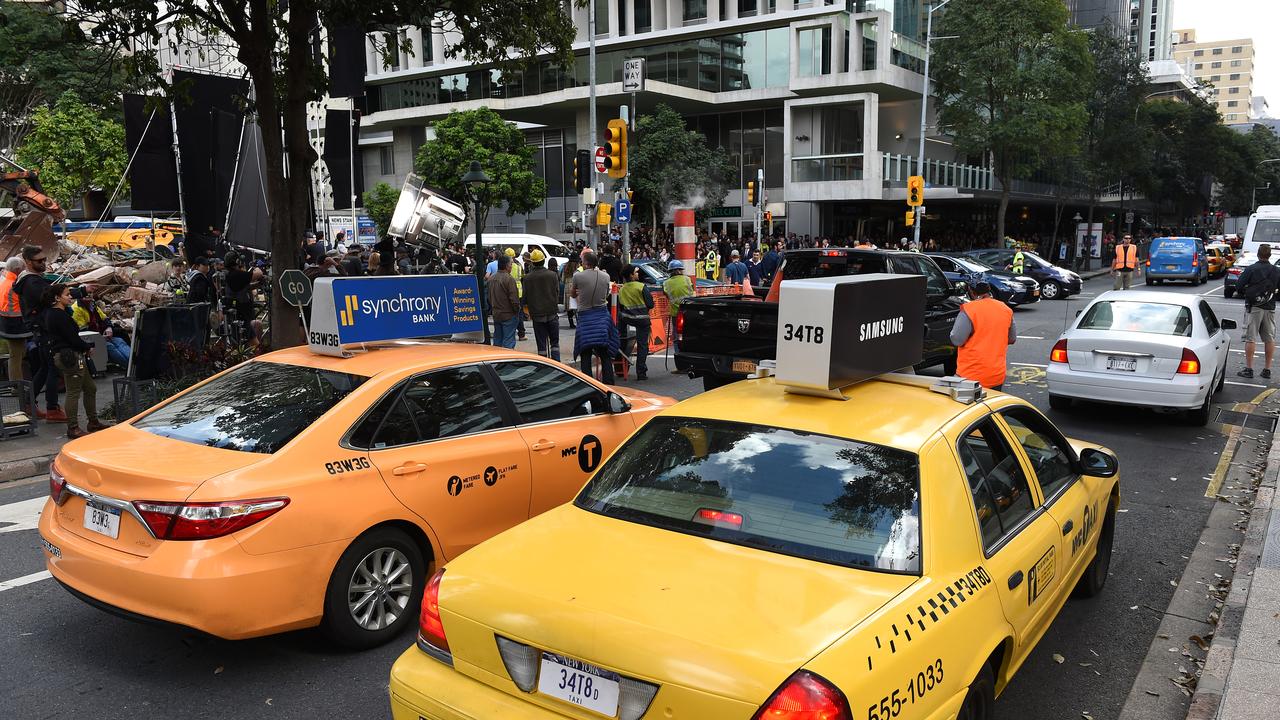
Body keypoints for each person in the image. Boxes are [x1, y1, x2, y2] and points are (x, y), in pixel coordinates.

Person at [42, 284, 106, 438]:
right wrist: (87, 347)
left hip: (74, 355)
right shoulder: (58, 315)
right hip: (70, 357)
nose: (70, 297)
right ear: (57, 298)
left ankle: (93, 421)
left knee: (90, 388)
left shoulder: (57, 313)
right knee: (73, 392)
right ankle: (73, 427)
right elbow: (72, 338)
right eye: (67, 294)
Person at [14, 246, 63, 421]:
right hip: (43, 329)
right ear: (28, 262)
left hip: (39, 328)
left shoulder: (30, 280)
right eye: (39, 261)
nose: (43, 263)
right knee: (52, 368)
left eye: (44, 260)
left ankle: (29, 404)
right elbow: (50, 299)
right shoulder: (32, 283)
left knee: (44, 367)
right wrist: (78, 292)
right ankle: (52, 408)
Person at [950, 281, 1017, 390]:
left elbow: (957, 339)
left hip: (971, 375)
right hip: (996, 374)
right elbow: (1012, 338)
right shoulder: (1005, 309)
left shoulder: (969, 309)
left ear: (971, 292)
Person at [572, 252, 617, 383]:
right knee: (605, 353)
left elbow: (573, 294)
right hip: (602, 316)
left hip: (585, 316)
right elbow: (605, 294)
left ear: (585, 263)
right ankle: (609, 382)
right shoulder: (606, 276)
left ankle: (588, 383)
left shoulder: (578, 276)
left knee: (585, 352)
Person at [1238, 243, 1280, 379]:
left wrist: (1247, 292)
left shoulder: (1251, 269)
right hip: (1270, 306)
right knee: (1269, 338)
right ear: (1269, 255)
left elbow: (1239, 286)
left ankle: (1249, 369)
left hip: (1254, 307)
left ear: (1258, 254)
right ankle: (1267, 369)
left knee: (1250, 338)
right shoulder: (1275, 270)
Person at [71, 287, 131, 369]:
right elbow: (83, 331)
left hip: (102, 334)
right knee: (110, 346)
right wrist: (100, 337)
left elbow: (104, 318)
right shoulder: (76, 309)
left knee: (119, 341)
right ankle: (130, 367)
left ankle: (134, 363)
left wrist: (108, 328)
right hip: (92, 339)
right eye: (86, 293)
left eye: (90, 293)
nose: (88, 295)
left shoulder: (92, 304)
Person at [522, 249, 561, 360]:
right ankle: (557, 364)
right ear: (543, 261)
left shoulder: (527, 278)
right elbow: (557, 291)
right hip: (552, 312)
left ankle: (544, 367)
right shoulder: (552, 275)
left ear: (532, 262)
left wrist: (527, 311)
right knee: (554, 343)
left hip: (537, 314)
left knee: (541, 346)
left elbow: (525, 297)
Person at [617, 264, 653, 381]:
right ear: (631, 275)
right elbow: (650, 304)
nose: (638, 274)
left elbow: (621, 306)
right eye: (636, 272)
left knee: (622, 339)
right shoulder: (641, 287)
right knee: (642, 346)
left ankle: (620, 367)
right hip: (642, 320)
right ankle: (641, 372)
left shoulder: (622, 289)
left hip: (627, 318)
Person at [0, 257, 30, 383]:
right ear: (18, 270)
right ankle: (17, 386)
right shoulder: (14, 285)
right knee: (16, 356)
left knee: (17, 355)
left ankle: (17, 384)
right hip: (15, 327)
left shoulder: (5, 283)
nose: (25, 271)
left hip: (8, 325)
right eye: (23, 269)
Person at [663, 259, 694, 357]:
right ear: (680, 270)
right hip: (689, 311)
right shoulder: (687, 279)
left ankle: (679, 358)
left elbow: (667, 295)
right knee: (689, 335)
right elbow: (692, 290)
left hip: (676, 314)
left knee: (677, 337)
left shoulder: (666, 283)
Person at [489, 255, 520, 349]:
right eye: (511, 264)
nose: (512, 266)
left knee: (498, 341)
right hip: (508, 315)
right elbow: (514, 299)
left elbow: (489, 297)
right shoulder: (509, 279)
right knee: (508, 342)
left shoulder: (492, 278)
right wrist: (516, 310)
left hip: (497, 314)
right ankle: (506, 362)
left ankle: (497, 361)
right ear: (507, 266)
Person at [562, 258, 579, 329]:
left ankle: (571, 323)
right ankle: (578, 321)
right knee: (575, 305)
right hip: (574, 287)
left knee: (569, 307)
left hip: (567, 288)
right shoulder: (577, 270)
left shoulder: (565, 267)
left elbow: (562, 279)